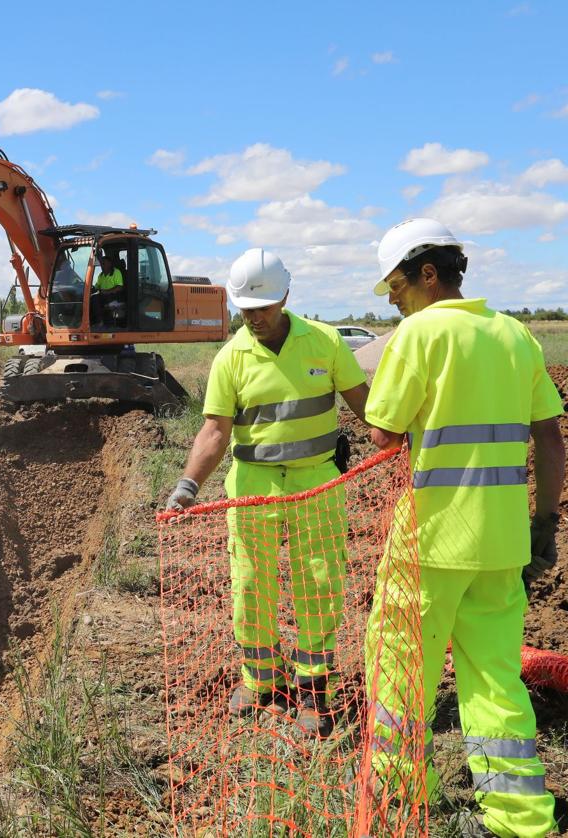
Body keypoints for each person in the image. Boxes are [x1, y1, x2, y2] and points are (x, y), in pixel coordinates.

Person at [362, 218, 563, 837]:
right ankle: (519, 819)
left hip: (427, 544)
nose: (392, 297)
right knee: (497, 679)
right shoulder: (515, 335)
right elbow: (551, 438)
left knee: (400, 674)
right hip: (500, 545)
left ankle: (397, 804)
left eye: (395, 284)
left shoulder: (417, 335)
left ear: (427, 274)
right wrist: (546, 523)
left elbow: (382, 434)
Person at [168, 247, 369, 736]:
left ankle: (314, 690)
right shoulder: (231, 357)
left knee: (318, 582)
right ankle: (261, 679)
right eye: (246, 309)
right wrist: (186, 486)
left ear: (285, 297)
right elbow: (215, 430)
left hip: (317, 481)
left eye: (263, 307)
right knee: (252, 583)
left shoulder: (324, 342)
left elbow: (366, 405)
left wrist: (402, 438)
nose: (254, 317)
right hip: (253, 484)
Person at [92, 254, 125, 327]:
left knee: (95, 299)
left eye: (104, 264)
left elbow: (120, 287)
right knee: (91, 298)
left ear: (109, 264)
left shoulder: (116, 272)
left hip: (114, 296)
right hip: (103, 296)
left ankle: (100, 321)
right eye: (101, 264)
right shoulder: (101, 275)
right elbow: (97, 286)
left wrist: (107, 291)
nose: (102, 266)